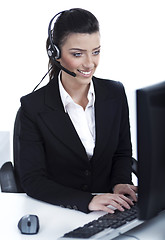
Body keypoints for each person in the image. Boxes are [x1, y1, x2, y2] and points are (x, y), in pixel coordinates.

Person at [19, 8, 137, 214]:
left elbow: (122, 152)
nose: (89, 63)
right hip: (61, 211)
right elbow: (32, 180)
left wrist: (120, 183)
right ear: (55, 54)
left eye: (96, 51)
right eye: (77, 54)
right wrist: (86, 201)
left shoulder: (115, 93)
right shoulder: (33, 106)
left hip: (110, 210)